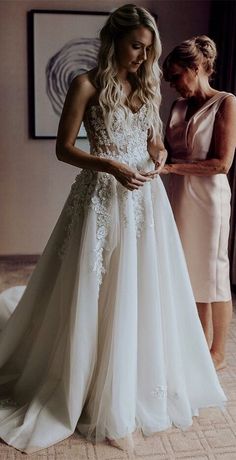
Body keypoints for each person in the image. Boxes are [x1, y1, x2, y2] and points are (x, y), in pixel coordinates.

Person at [0, 8, 226, 455]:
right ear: (113, 39)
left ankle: (131, 384)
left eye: (148, 48)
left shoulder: (145, 87)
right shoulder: (85, 84)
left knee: (141, 288)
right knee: (97, 287)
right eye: (135, 46)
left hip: (145, 199)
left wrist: (159, 155)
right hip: (102, 196)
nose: (143, 57)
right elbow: (65, 149)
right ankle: (87, 385)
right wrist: (107, 164)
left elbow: (153, 141)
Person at [163, 35, 236, 371]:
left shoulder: (225, 102)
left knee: (214, 272)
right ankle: (198, 343)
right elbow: (164, 150)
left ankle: (218, 352)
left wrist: (173, 168)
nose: (174, 85)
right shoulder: (177, 107)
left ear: (196, 68)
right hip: (178, 194)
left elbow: (222, 163)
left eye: (178, 76)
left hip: (209, 199)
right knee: (190, 272)